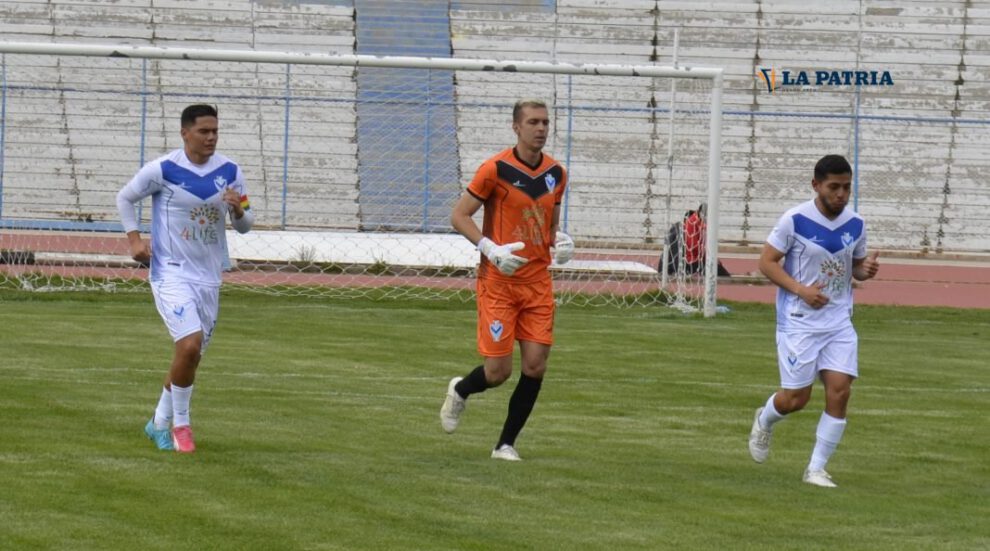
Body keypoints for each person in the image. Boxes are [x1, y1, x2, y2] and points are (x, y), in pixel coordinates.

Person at [440, 99, 574, 461]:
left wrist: (561, 242)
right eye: (533, 122)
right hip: (499, 282)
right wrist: (490, 248)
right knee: (498, 372)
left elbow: (548, 228)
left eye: (545, 122)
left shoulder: (557, 174)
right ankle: (461, 390)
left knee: (535, 365)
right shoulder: (494, 169)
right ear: (516, 127)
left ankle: (505, 444)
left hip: (537, 284)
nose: (541, 128)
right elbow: (459, 215)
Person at [116, 104, 254, 453]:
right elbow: (125, 197)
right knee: (190, 344)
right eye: (204, 131)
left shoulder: (231, 171)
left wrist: (238, 209)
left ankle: (157, 423)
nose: (211, 137)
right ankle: (182, 426)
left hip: (209, 277)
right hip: (170, 272)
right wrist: (134, 240)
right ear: (185, 133)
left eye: (215, 131)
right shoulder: (163, 169)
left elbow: (246, 225)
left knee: (189, 357)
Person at [747, 154, 880, 487]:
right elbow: (767, 262)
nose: (841, 194)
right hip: (799, 321)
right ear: (816, 185)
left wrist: (866, 270)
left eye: (846, 187)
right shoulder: (794, 220)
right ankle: (765, 419)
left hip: (838, 321)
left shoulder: (856, 224)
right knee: (796, 400)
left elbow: (856, 267)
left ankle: (816, 468)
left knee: (840, 391)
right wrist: (801, 290)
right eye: (834, 187)